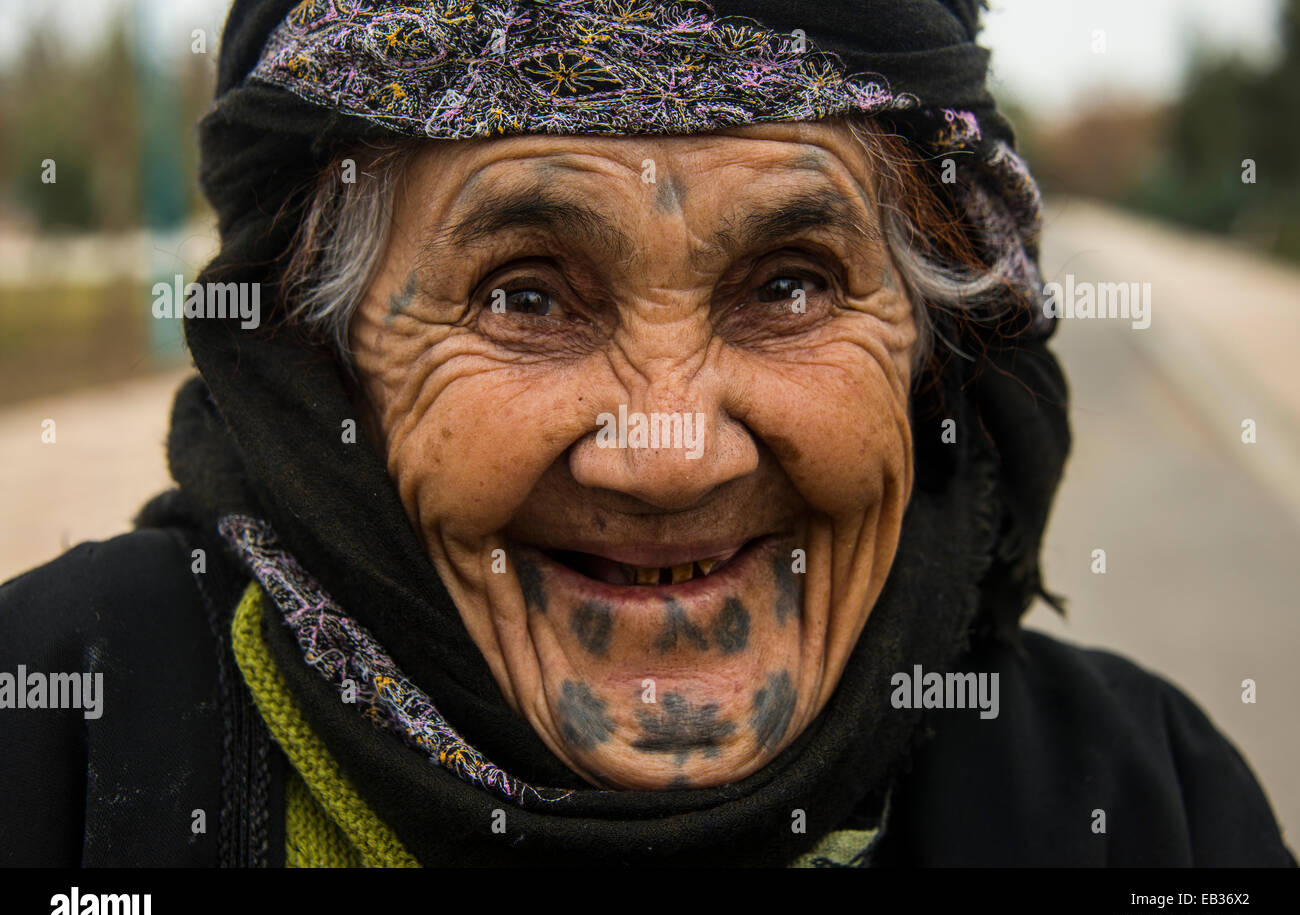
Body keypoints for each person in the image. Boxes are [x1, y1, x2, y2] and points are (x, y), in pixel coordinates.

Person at [0, 0, 1293, 867]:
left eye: (787, 284)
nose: (671, 452)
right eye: (526, 294)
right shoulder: (53, 756)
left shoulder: (1146, 816)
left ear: (934, 340)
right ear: (321, 353)